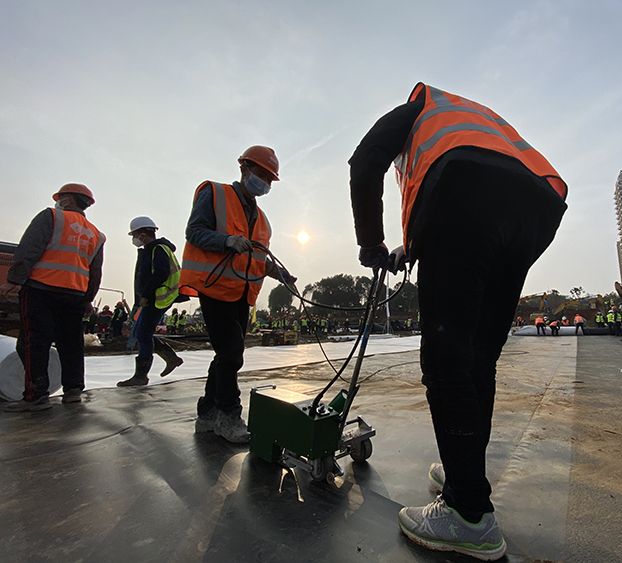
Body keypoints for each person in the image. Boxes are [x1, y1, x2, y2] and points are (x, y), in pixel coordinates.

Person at [349, 82, 567, 560]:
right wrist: (416, 244)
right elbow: (472, 192)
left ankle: (468, 514)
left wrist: (371, 244)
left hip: (468, 192)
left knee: (447, 363)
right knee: (477, 360)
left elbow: (364, 161)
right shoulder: (472, 119)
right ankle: (463, 471)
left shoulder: (417, 108)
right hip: (534, 206)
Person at [179, 145, 296, 444]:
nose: (264, 182)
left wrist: (279, 274)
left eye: (269, 179)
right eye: (261, 174)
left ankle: (207, 414)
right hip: (215, 287)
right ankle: (229, 415)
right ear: (244, 168)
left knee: (226, 354)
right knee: (231, 352)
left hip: (242, 293)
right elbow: (194, 231)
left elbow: (256, 257)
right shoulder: (215, 194)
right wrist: (227, 240)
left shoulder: (262, 218)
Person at [4, 183, 105, 411]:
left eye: (60, 198)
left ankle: (35, 396)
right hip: (75, 294)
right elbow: (95, 271)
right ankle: (73, 391)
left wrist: (14, 279)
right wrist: (88, 298)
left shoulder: (51, 217)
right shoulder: (96, 235)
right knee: (71, 343)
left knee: (34, 342)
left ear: (67, 199)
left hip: (41, 288)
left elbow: (29, 248)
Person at [116, 216, 184, 387]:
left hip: (157, 297)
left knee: (142, 333)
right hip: (152, 297)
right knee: (141, 332)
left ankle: (141, 376)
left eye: (135, 235)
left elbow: (160, 273)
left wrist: (146, 295)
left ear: (143, 234)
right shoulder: (153, 249)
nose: (134, 239)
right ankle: (171, 358)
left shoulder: (158, 249)